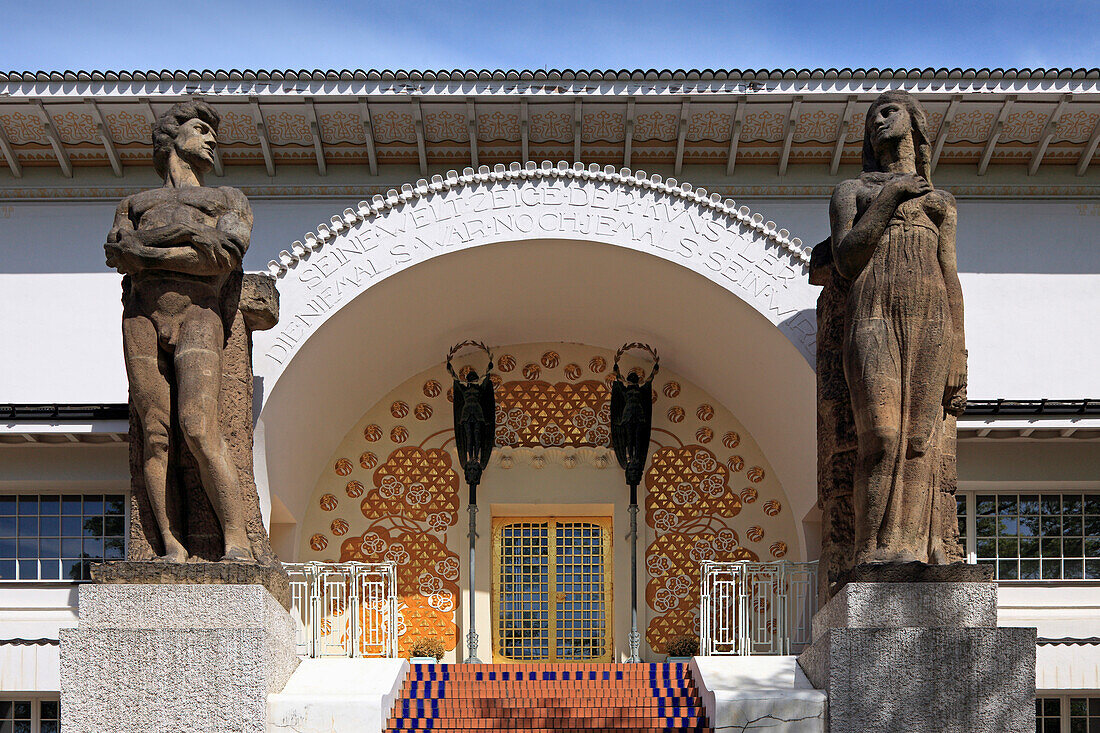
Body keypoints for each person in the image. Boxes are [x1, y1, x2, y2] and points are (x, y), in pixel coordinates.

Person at [104, 101, 253, 562]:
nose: (212, 139)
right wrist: (189, 239)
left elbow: (219, 260)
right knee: (155, 433)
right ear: (172, 138)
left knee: (198, 426)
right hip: (142, 317)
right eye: (201, 129)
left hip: (198, 314)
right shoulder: (133, 203)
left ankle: (238, 541)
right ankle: (169, 544)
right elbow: (116, 254)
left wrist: (146, 249)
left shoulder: (228, 198)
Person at [829, 90, 966, 565]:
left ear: (915, 124)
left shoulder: (941, 202)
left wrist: (959, 353)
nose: (878, 122)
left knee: (918, 440)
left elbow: (950, 277)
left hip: (931, 321)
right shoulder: (854, 191)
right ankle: (873, 550)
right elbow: (846, 259)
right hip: (874, 315)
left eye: (889, 112)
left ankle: (915, 550)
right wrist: (889, 197)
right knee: (882, 436)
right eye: (872, 118)